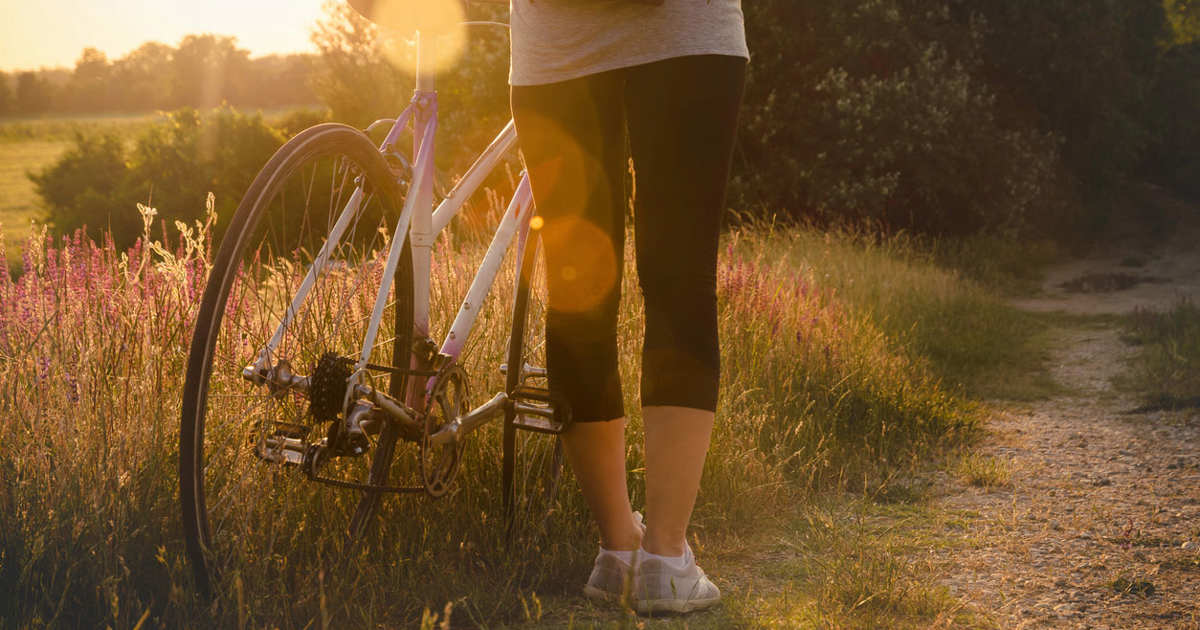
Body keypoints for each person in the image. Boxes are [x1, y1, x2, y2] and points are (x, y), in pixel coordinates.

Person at [508, 0, 748, 615]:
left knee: (577, 292)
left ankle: (618, 549)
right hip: (688, 35)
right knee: (679, 282)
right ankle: (665, 559)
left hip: (554, 41)